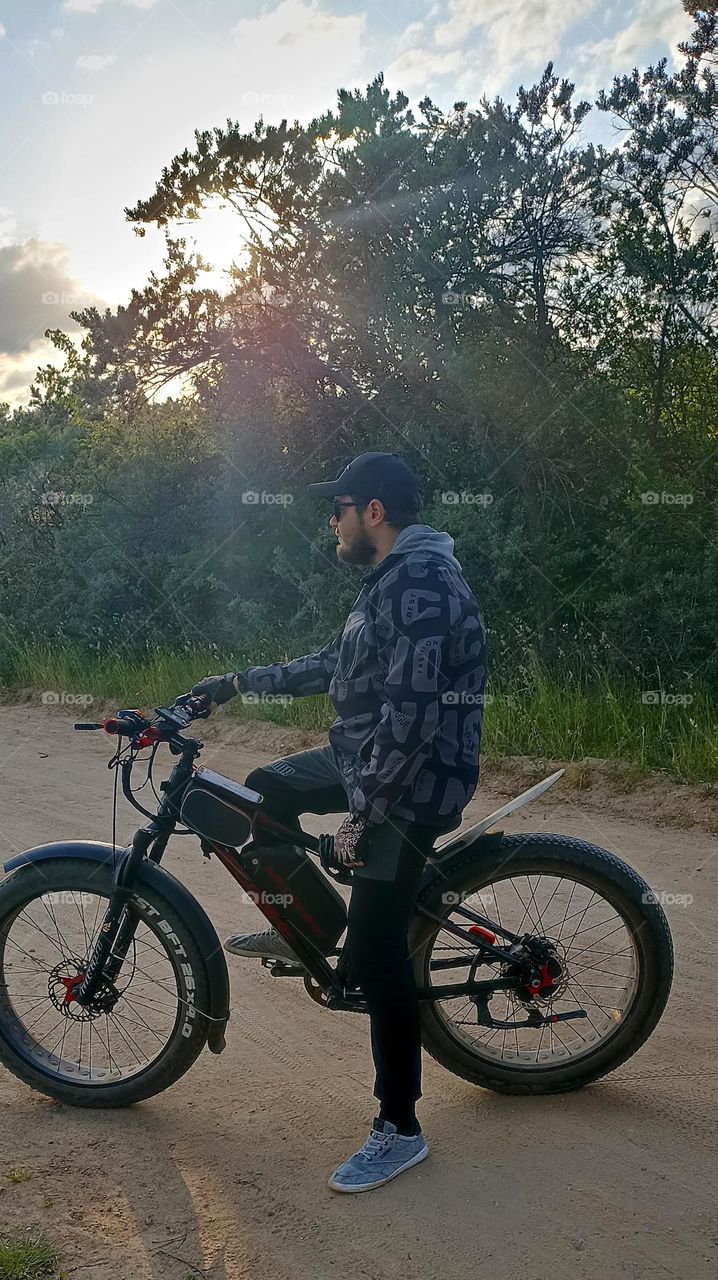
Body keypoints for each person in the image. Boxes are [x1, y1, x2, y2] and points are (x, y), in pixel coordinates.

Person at [192, 451, 486, 1193]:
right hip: (363, 758)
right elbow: (339, 662)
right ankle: (315, 929)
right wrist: (237, 683)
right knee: (261, 790)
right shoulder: (388, 578)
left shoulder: (421, 583)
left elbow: (415, 720)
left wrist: (363, 818)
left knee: (382, 954)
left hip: (411, 784)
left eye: (339, 508)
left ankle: (400, 1128)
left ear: (374, 512)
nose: (331, 521)